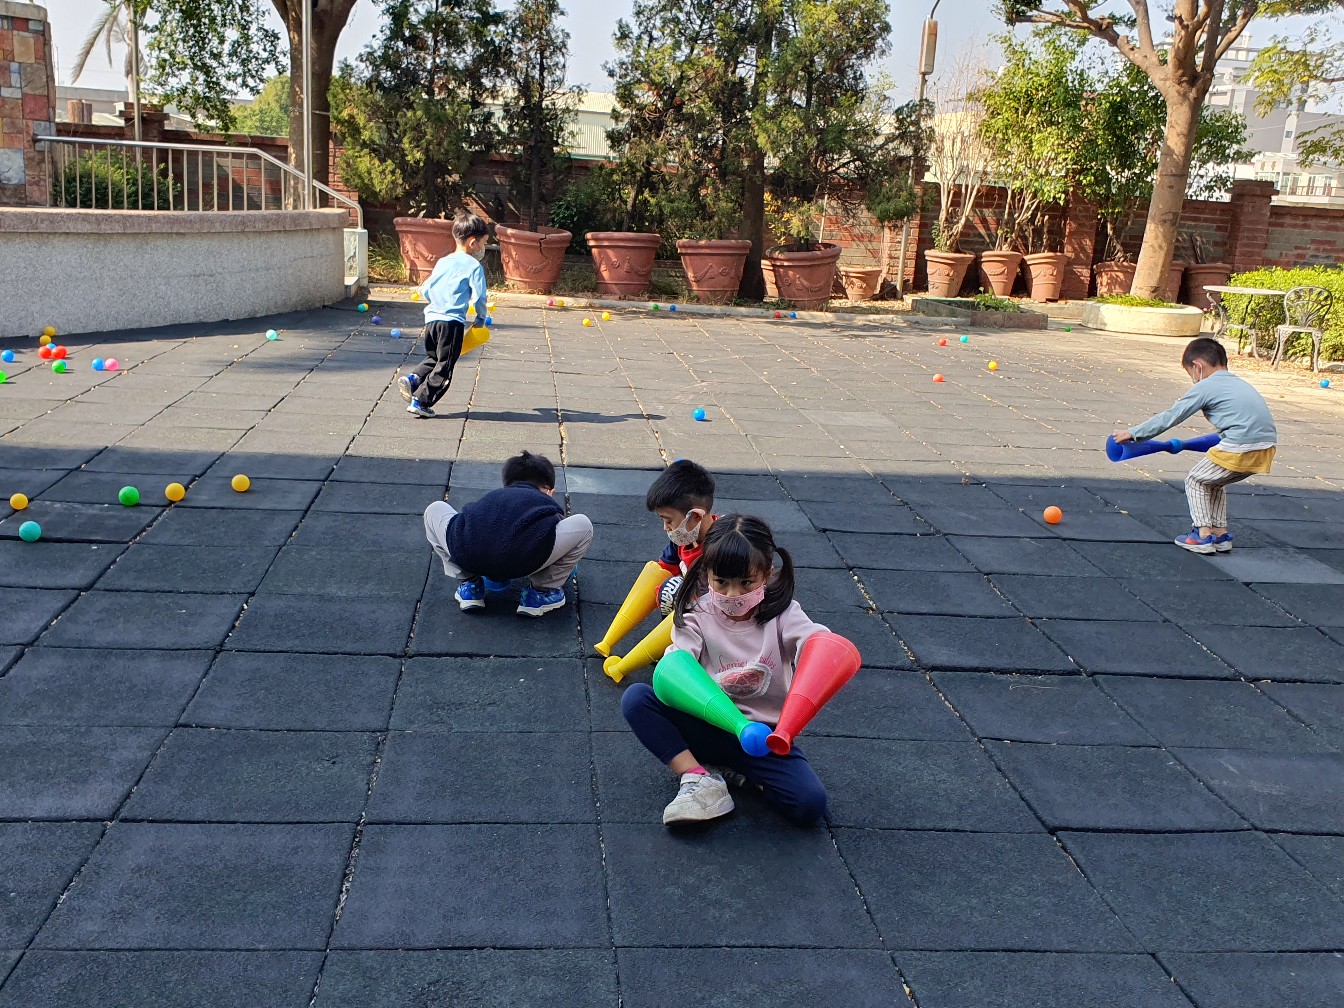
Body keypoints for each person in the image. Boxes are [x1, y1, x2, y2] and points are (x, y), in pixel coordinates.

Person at [620, 514, 830, 827]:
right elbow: (676, 666)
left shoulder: (784, 614)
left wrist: (823, 647)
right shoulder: (697, 613)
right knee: (637, 698)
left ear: (767, 574)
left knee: (810, 804)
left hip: (761, 738)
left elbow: (817, 643)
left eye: (746, 583)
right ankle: (697, 776)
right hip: (704, 723)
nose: (733, 595)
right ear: (707, 574)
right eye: (722, 583)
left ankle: (740, 774)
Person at [1113, 336, 1277, 554]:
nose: (1193, 380)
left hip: (1240, 444)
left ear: (1197, 366)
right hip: (1266, 448)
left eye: (1191, 374)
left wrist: (1133, 433)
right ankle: (1220, 534)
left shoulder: (1206, 386)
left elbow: (1172, 416)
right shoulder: (1239, 384)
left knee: (1195, 480)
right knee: (1213, 483)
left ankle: (1202, 535)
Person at [423, 451, 592, 616]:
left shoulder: (494, 497)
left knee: (435, 509)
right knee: (583, 525)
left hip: (470, 556)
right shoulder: (544, 502)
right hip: (523, 560)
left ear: (507, 484)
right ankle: (541, 592)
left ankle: (469, 585)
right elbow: (552, 532)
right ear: (549, 491)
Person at [398, 210, 489, 419]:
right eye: (483, 243)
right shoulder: (474, 266)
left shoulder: (444, 261)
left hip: (432, 320)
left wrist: (438, 302)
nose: (483, 248)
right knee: (445, 366)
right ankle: (421, 401)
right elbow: (479, 297)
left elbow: (426, 288)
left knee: (434, 357)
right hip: (452, 323)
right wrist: (480, 319)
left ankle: (413, 378)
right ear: (473, 242)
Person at [647, 459, 717, 616]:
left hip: (713, 615)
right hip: (692, 607)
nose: (666, 528)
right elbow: (663, 570)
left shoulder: (722, 548)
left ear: (695, 516)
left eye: (669, 521)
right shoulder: (683, 538)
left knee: (670, 591)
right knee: (668, 588)